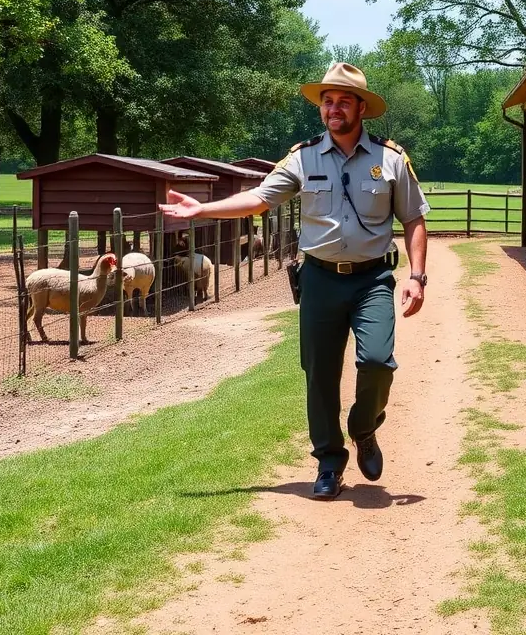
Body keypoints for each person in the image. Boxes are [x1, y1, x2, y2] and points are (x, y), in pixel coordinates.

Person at [159, 62, 430, 500]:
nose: (334, 108)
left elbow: (414, 218)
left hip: (372, 279)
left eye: (343, 101)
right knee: (319, 373)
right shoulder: (302, 158)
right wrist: (202, 210)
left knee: (378, 361)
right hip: (320, 279)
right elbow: (259, 198)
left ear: (362, 107)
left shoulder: (391, 159)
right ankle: (328, 462)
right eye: (327, 101)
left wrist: (417, 276)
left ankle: (364, 427)